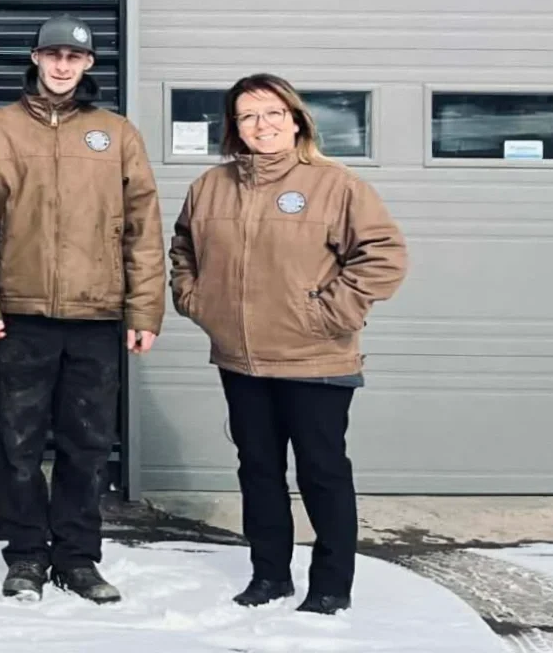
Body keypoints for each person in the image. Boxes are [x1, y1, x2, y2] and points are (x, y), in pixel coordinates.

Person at [170, 73, 407, 616]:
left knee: (322, 471)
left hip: (315, 358)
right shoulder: (210, 186)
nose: (263, 125)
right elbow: (183, 247)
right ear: (234, 127)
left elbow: (384, 256)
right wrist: (195, 300)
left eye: (274, 113)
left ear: (296, 119)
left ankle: (329, 586)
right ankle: (269, 575)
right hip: (241, 358)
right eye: (249, 115)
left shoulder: (335, 185)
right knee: (257, 469)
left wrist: (327, 314)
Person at [0, 15, 165, 604]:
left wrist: (144, 311)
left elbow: (143, 230)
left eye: (73, 57)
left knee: (87, 445)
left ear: (89, 64)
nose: (62, 66)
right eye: (52, 55)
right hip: (19, 315)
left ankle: (77, 557)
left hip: (97, 317)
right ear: (35, 59)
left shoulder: (116, 134)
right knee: (18, 443)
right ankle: (24, 554)